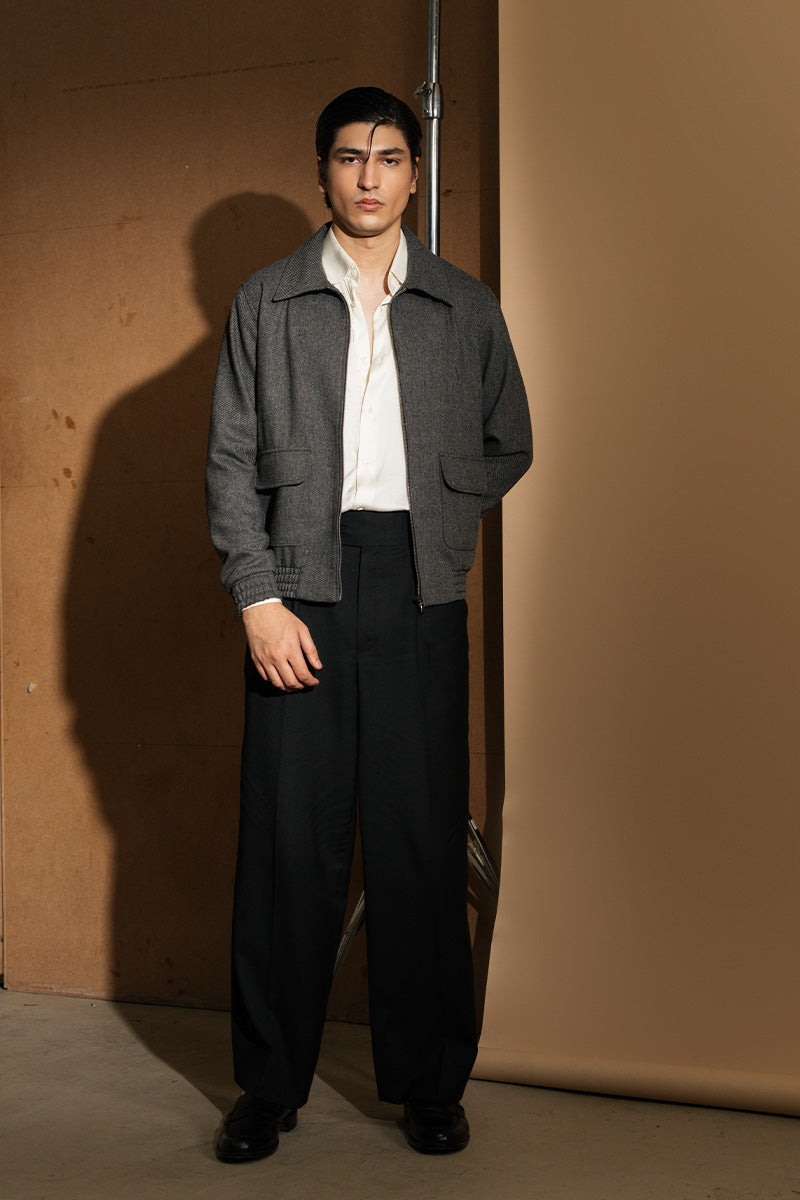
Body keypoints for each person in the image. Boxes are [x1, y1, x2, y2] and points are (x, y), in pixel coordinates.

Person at [206, 85, 531, 1161]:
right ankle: (267, 1087)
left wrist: (439, 505)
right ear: (322, 172)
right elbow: (227, 463)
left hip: (418, 586)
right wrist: (257, 598)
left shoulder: (462, 306)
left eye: (389, 158)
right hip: (297, 586)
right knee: (287, 847)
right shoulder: (266, 301)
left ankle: (430, 1084)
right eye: (349, 157)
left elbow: (510, 438)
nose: (369, 176)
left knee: (419, 841)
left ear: (413, 174)